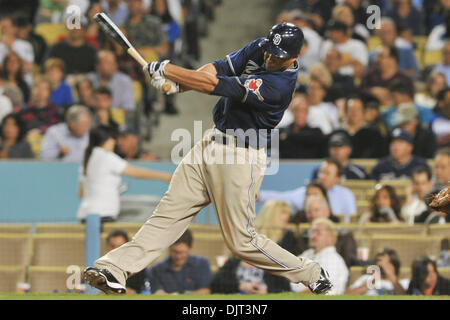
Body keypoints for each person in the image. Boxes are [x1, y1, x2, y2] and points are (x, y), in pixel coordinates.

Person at [84, 22, 333, 295]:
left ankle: (310, 272)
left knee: (241, 241)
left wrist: (168, 70)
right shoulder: (263, 46)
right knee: (167, 214)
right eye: (271, 51)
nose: (271, 58)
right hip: (211, 142)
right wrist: (177, 86)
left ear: (295, 57)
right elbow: (218, 68)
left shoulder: (279, 85)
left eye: (279, 56)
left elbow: (215, 85)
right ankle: (114, 268)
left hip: (241, 156)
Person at [77, 125, 172, 223]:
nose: (116, 143)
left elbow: (81, 194)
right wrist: (163, 176)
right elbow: (135, 172)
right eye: (114, 139)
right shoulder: (106, 157)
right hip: (102, 214)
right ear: (108, 140)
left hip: (85, 214)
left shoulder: (87, 160)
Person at [260, 158, 357, 222]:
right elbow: (281, 197)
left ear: (338, 178)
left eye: (327, 173)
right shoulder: (306, 192)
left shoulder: (346, 195)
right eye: (321, 172)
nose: (322, 176)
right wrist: (255, 195)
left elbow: (351, 220)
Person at [295, 195, 358, 267]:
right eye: (309, 212)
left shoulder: (345, 236)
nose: (312, 215)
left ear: (327, 212)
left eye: (316, 210)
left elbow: (351, 263)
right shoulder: (303, 238)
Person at [291, 219, 349, 295]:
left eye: (318, 233)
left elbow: (321, 290)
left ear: (330, 238)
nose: (313, 235)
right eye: (312, 232)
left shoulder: (332, 259)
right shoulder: (308, 253)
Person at [148, 229, 212, 295]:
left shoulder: (202, 264)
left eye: (182, 252)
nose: (178, 257)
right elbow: (157, 293)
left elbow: (205, 291)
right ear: (169, 248)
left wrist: (180, 295)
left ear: (190, 249)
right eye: (175, 252)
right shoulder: (156, 269)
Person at [278, 94, 326, 159]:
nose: (299, 114)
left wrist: (288, 136)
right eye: (296, 110)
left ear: (307, 112)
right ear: (292, 112)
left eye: (303, 110)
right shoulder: (281, 131)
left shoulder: (315, 132)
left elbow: (314, 138)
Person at [105, 230, 149, 294]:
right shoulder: (100, 270)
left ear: (128, 247)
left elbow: (148, 292)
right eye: (112, 246)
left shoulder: (138, 269)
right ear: (107, 247)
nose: (116, 250)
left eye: (120, 246)